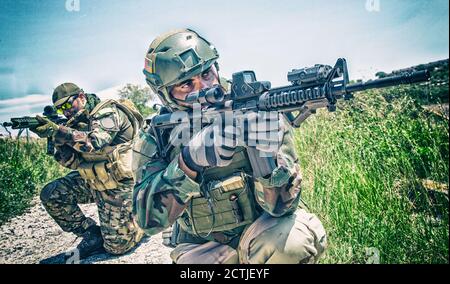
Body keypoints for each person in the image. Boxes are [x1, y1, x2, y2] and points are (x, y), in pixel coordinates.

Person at [132, 29, 327, 264]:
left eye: (206, 73)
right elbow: (146, 222)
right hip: (202, 243)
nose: (203, 87)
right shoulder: (157, 135)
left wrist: (264, 156)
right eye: (186, 84)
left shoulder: (255, 108)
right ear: (165, 94)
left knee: (291, 244)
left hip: (264, 228)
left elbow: (282, 208)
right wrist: (189, 161)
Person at [31, 82, 144, 263]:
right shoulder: (74, 123)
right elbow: (72, 162)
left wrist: (59, 131)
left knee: (117, 247)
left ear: (81, 97)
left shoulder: (108, 112)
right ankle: (91, 234)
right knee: (52, 193)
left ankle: (144, 222)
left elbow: (93, 143)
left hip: (123, 183)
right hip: (95, 179)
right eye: (60, 109)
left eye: (68, 104)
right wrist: (56, 140)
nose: (65, 111)